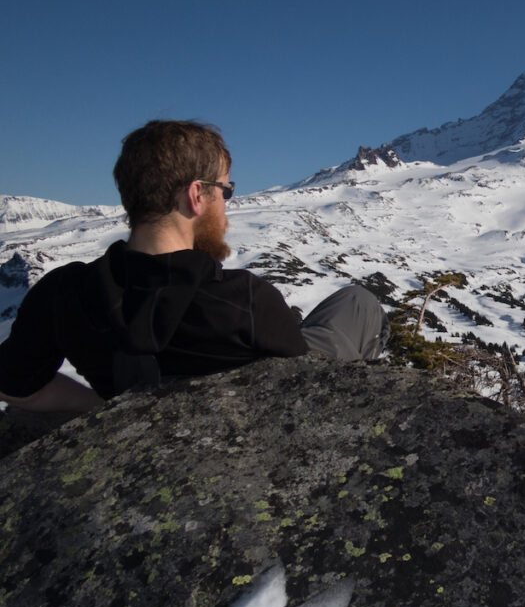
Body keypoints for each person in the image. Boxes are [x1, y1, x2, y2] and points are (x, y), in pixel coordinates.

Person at [0, 120, 388, 415]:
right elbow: (310, 383)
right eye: (226, 190)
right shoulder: (245, 301)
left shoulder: (63, 294)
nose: (227, 204)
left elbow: (17, 386)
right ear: (196, 195)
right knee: (358, 302)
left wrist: (107, 412)